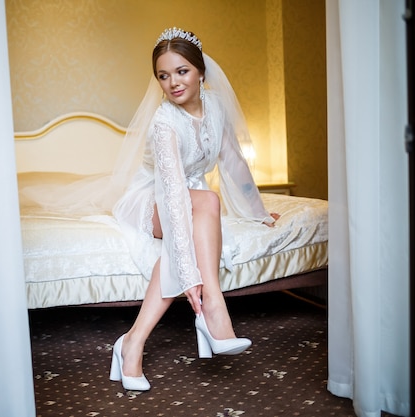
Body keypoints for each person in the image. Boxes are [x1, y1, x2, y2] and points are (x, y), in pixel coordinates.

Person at [108, 27, 280, 392]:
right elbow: (172, 199)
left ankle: (132, 341)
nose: (172, 83)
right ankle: (214, 310)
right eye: (163, 75)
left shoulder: (216, 106)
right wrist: (190, 277)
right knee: (204, 205)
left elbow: (233, 161)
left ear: (201, 70)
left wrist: (258, 210)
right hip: (151, 199)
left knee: (204, 203)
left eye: (181, 71)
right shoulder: (164, 122)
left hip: (193, 198)